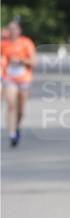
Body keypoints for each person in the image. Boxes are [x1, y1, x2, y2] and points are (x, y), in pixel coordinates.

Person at [1, 18, 37, 147]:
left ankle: (16, 126)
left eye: (14, 29)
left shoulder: (26, 42)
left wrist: (20, 61)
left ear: (19, 30)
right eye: (9, 29)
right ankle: (12, 134)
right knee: (11, 105)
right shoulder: (3, 44)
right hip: (9, 78)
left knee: (21, 109)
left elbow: (34, 62)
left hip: (24, 78)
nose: (12, 31)